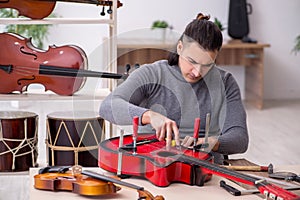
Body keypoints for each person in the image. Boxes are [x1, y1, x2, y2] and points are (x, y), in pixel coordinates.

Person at [99, 13, 248, 164]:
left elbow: (240, 138)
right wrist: (149, 116)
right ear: (180, 47)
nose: (197, 72)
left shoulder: (225, 82)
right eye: (192, 61)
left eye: (207, 65)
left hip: (203, 169)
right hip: (151, 165)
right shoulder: (152, 73)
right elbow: (107, 106)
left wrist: (213, 143)